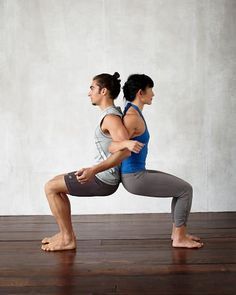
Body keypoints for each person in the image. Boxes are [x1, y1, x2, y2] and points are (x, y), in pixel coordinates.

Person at [41, 72, 143, 252]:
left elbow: (125, 152)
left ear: (103, 91)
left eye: (92, 88)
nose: (89, 93)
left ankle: (67, 239)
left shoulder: (111, 118)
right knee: (56, 182)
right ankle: (67, 234)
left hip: (104, 180)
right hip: (100, 174)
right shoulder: (110, 115)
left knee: (50, 187)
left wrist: (93, 171)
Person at [109, 74, 203, 248]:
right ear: (140, 93)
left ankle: (178, 233)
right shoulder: (132, 117)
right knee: (185, 190)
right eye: (150, 89)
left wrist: (127, 143)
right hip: (134, 177)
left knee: (181, 190)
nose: (153, 94)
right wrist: (127, 143)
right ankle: (179, 238)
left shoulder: (133, 111)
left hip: (137, 173)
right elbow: (113, 146)